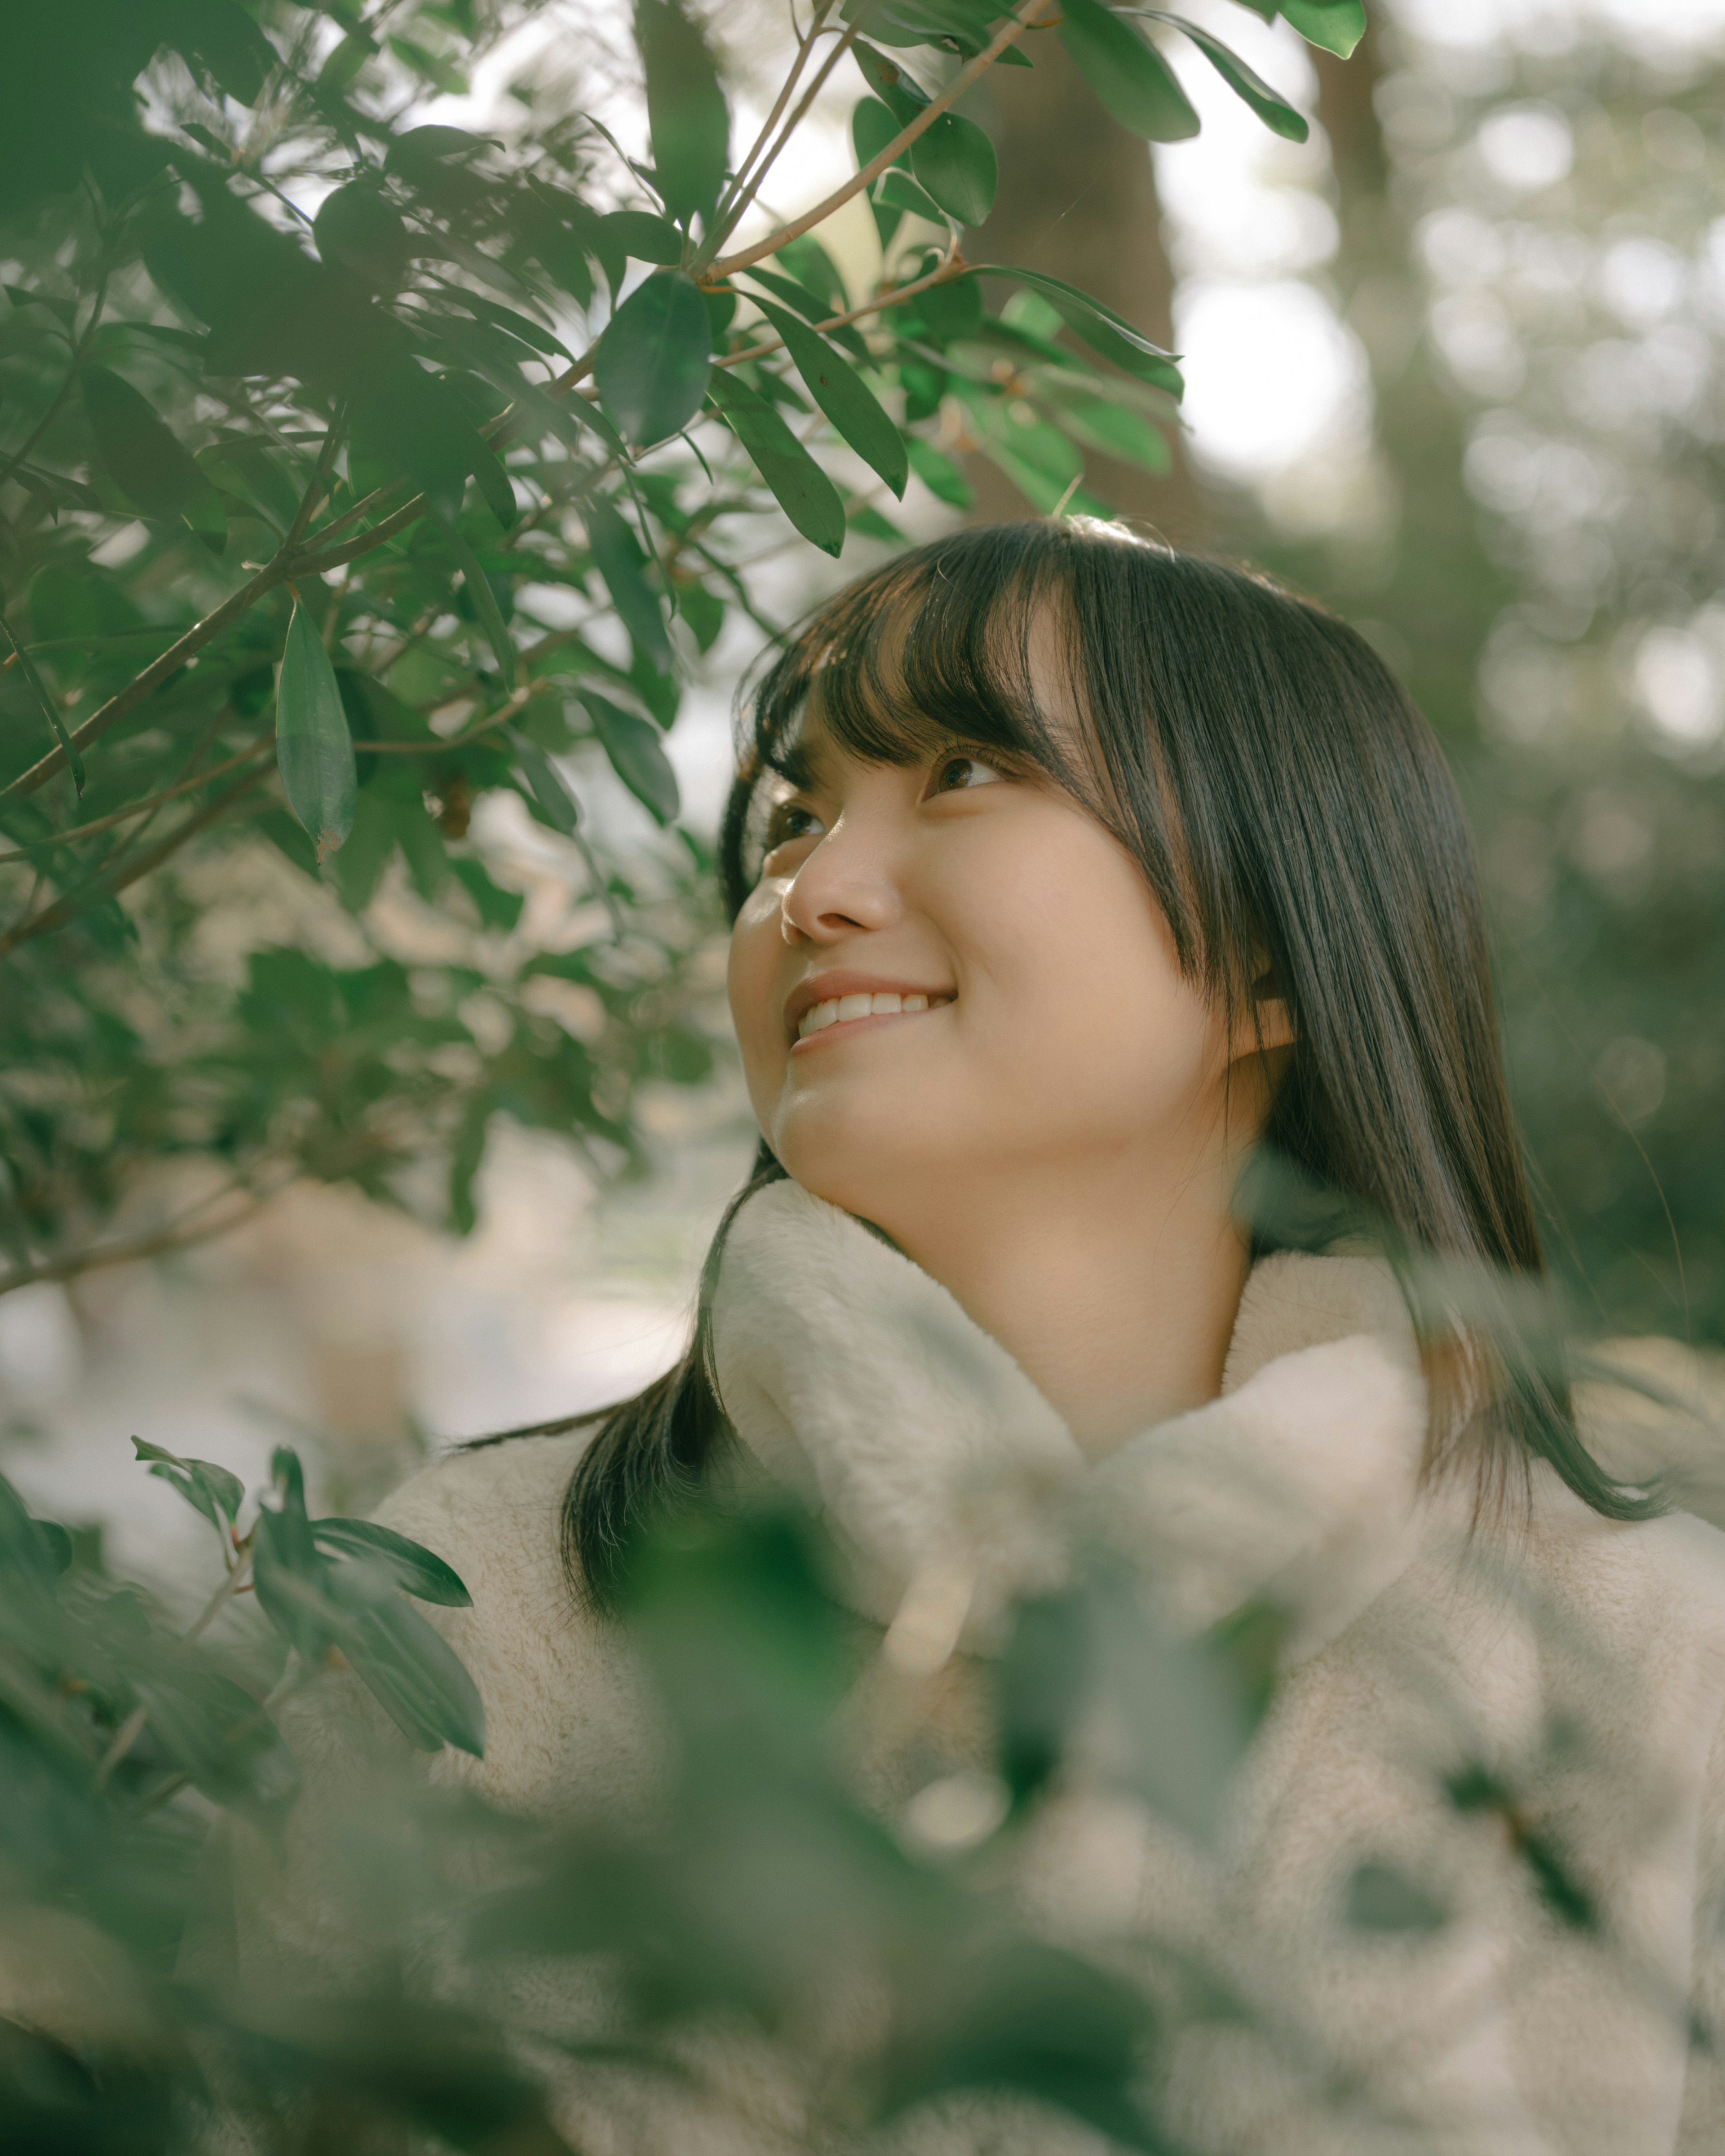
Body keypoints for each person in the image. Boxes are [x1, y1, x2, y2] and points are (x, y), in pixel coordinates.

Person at [233, 520, 1725, 2154]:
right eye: (796, 817)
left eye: (958, 772)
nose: (811, 891)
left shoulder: (1637, 1657)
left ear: (1271, 950)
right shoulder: (447, 1599)